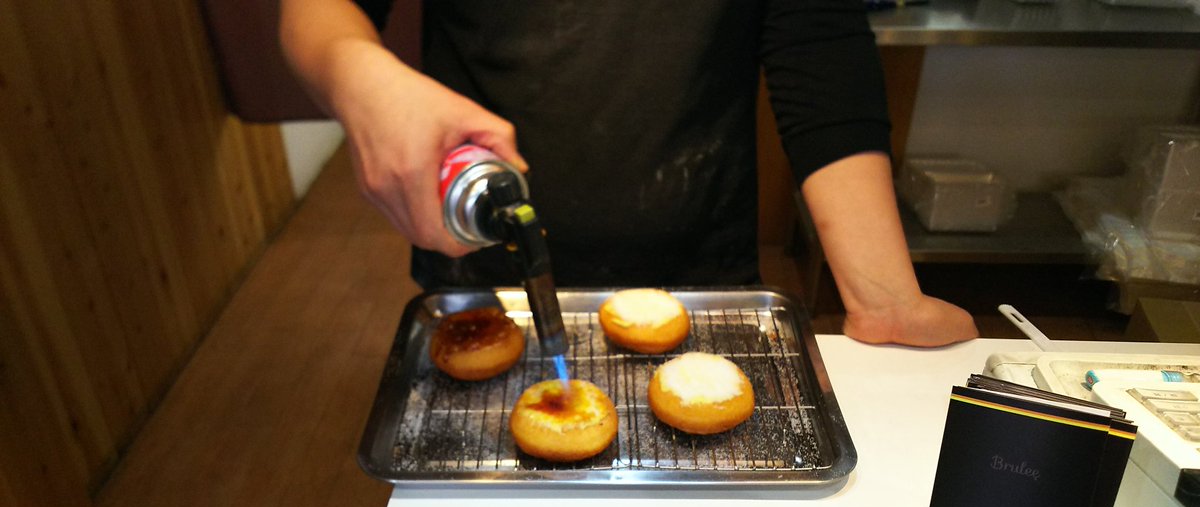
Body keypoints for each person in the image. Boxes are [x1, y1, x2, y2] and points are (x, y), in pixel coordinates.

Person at [279, 0, 979, 347]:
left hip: (700, 272)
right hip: (488, 274)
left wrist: (884, 295)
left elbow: (815, 34)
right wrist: (359, 76)